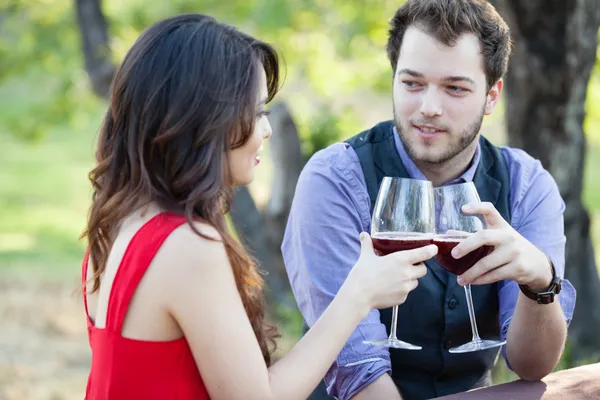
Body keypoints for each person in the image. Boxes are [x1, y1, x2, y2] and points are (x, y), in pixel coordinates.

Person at [79, 13, 440, 400]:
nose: (265, 129)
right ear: (203, 121)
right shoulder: (187, 247)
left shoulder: (121, 225)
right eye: (256, 113)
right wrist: (357, 295)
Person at [282, 1, 577, 399]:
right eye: (412, 84)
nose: (429, 108)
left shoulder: (525, 184)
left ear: (492, 96)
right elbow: (359, 374)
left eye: (454, 88)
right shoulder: (336, 178)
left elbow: (532, 365)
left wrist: (540, 282)